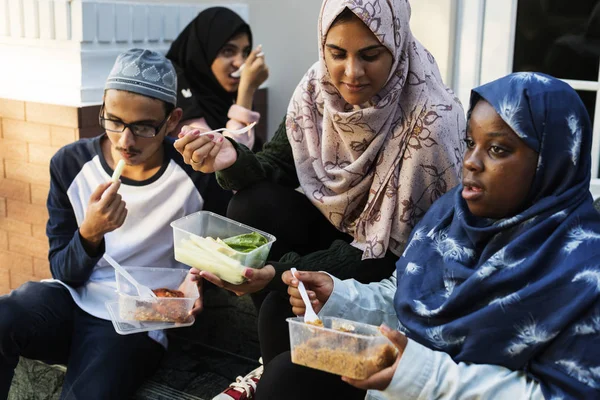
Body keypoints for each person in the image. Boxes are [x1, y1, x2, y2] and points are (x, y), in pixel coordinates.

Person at [175, 1, 465, 398]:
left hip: (396, 262)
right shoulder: (318, 86)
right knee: (250, 204)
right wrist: (231, 158)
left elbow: (391, 253)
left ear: (396, 45)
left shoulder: (430, 120)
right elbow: (277, 164)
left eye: (370, 54)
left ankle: (288, 373)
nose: (351, 72)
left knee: (282, 307)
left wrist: (278, 274)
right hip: (342, 235)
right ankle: (281, 366)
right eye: (337, 53)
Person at [275, 72, 600, 399]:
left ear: (553, 159)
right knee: (288, 374)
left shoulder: (583, 270)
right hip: (404, 385)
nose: (471, 162)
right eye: (471, 142)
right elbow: (408, 299)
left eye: (498, 149)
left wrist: (427, 376)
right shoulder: (452, 215)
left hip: (425, 387)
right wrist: (340, 297)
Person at [0, 49, 230, 400]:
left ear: (172, 120)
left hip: (140, 318)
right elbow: (63, 269)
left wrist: (199, 280)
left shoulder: (194, 176)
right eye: (114, 121)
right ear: (103, 110)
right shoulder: (71, 163)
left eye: (143, 126)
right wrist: (90, 234)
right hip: (72, 299)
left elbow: (220, 256)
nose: (125, 140)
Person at [166, 7, 269, 150]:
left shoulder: (223, 94)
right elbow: (223, 158)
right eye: (228, 51)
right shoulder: (179, 94)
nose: (240, 63)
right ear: (202, 53)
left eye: (245, 52)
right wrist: (247, 90)